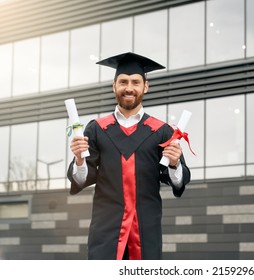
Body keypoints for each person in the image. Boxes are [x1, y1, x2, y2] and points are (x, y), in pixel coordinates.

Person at [67, 52, 191, 260]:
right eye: (123, 82)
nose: (129, 88)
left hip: (145, 230)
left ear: (146, 87)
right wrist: (79, 159)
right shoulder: (97, 129)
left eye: (135, 82)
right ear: (114, 86)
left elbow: (178, 182)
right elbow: (81, 179)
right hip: (106, 232)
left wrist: (174, 163)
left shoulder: (162, 131)